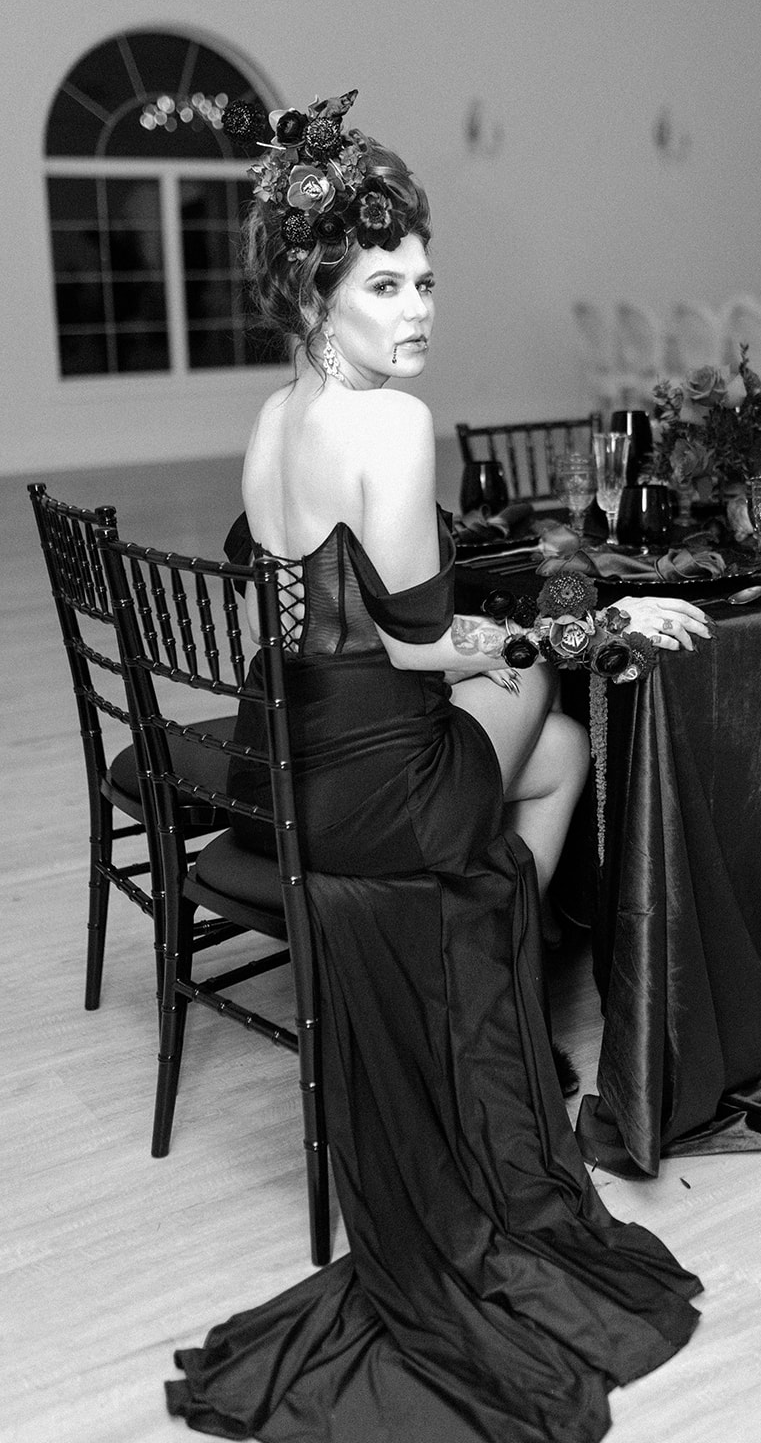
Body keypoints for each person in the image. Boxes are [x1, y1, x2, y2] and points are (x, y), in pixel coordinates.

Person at [166, 88, 708, 1443]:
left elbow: (313, 622)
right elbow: (421, 647)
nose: (419, 309)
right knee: (548, 687)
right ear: (317, 294)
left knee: (559, 739)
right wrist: (594, 622)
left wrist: (457, 637)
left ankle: (479, 924)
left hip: (310, 781)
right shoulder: (396, 431)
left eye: (427, 282)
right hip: (394, 794)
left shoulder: (274, 418)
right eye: (388, 284)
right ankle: (483, 936)